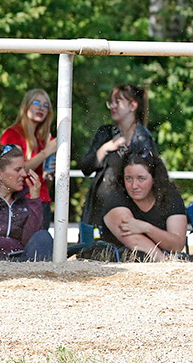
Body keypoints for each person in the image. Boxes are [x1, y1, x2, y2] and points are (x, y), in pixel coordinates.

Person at [79, 85, 157, 228]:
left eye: (118, 102)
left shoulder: (144, 138)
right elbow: (85, 167)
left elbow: (150, 180)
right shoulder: (105, 133)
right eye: (111, 102)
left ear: (133, 105)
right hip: (98, 210)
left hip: (128, 212)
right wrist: (105, 148)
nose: (112, 106)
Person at [100, 148, 187, 261]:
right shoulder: (115, 198)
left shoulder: (170, 197)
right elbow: (135, 241)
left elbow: (177, 246)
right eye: (128, 178)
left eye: (141, 178)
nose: (134, 185)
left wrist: (146, 228)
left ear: (154, 179)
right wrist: (164, 262)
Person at [0, 88, 56, 227]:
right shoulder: (12, 134)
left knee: (40, 245)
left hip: (42, 201)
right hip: (20, 201)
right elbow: (17, 169)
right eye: (36, 102)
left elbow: (44, 179)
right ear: (26, 105)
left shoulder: (45, 138)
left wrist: (50, 174)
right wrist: (46, 153)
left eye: (46, 105)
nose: (41, 108)